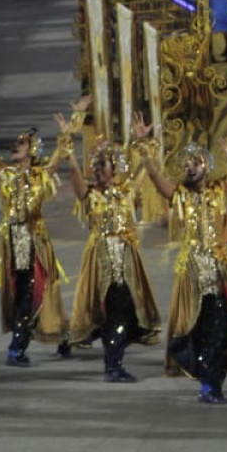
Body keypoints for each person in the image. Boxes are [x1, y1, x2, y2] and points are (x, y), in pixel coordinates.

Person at [142, 121, 227, 403]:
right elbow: (154, 176)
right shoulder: (180, 196)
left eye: (195, 163)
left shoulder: (218, 190)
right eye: (185, 164)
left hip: (219, 269)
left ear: (206, 167)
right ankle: (208, 385)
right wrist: (142, 143)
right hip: (193, 272)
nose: (189, 168)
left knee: (223, 326)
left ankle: (212, 382)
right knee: (200, 327)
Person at [0, 92, 71, 365]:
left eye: (21, 143)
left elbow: (58, 158)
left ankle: (56, 336)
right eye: (15, 143)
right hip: (14, 242)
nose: (15, 146)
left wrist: (72, 127)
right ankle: (20, 346)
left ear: (32, 151)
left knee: (43, 289)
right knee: (25, 292)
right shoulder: (6, 174)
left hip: (36, 242)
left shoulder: (39, 177)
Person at [64, 112, 161, 383]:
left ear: (114, 168)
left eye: (103, 165)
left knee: (123, 311)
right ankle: (112, 364)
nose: (97, 169)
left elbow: (146, 167)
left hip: (127, 260)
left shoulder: (128, 191)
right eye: (95, 165)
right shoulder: (90, 195)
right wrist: (69, 147)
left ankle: (108, 353)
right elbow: (74, 175)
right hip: (102, 260)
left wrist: (142, 140)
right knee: (109, 309)